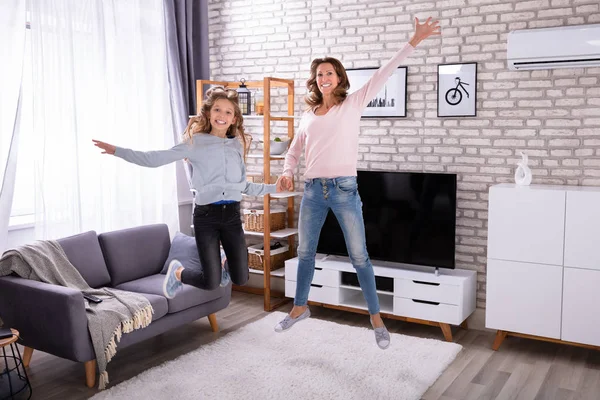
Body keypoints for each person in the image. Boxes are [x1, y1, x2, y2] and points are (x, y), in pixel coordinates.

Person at [274, 17, 441, 349]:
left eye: (329, 73)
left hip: (344, 190)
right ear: (315, 80)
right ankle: (299, 307)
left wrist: (414, 41)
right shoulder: (307, 115)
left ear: (339, 79)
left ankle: (376, 318)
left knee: (359, 256)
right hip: (312, 191)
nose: (324, 78)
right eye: (319, 74)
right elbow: (294, 151)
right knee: (305, 253)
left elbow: (384, 72)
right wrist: (287, 171)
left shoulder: (352, 105)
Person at [93, 87, 283, 299]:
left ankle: (222, 261)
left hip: (232, 216)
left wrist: (274, 188)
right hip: (206, 217)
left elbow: (243, 186)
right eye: (217, 110)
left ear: (235, 118)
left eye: (228, 112)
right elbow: (155, 158)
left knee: (241, 278)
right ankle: (178, 272)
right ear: (209, 113)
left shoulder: (236, 146)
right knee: (211, 282)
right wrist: (118, 151)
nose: (222, 115)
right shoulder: (195, 143)